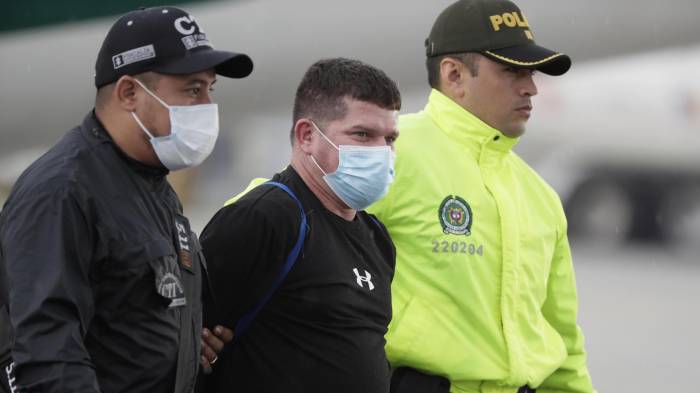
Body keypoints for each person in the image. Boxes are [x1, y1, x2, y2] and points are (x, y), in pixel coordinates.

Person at [0, 6, 252, 393]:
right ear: (130, 92)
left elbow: (130, 316)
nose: (207, 106)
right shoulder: (63, 192)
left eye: (209, 89)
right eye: (192, 89)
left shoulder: (152, 186)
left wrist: (186, 344)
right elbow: (47, 358)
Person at [367, 1, 597, 392]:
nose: (531, 87)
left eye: (531, 73)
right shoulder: (388, 152)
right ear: (454, 75)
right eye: (511, 70)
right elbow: (274, 215)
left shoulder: (540, 195)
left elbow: (563, 345)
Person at [196, 58, 401, 393]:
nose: (382, 151)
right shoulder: (266, 218)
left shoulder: (376, 237)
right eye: (362, 135)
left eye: (389, 138)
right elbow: (189, 336)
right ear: (307, 136)